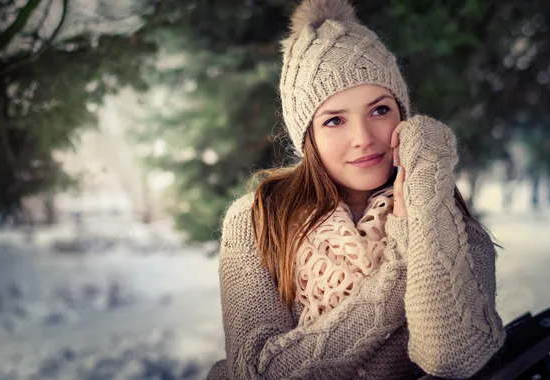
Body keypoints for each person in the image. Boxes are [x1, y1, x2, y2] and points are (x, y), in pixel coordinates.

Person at [207, 0, 506, 379]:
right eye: (334, 120)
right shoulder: (259, 218)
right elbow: (256, 371)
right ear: (308, 136)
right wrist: (401, 265)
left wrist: (426, 188)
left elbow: (451, 355)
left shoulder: (446, 221)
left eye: (380, 110)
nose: (363, 138)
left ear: (404, 116)